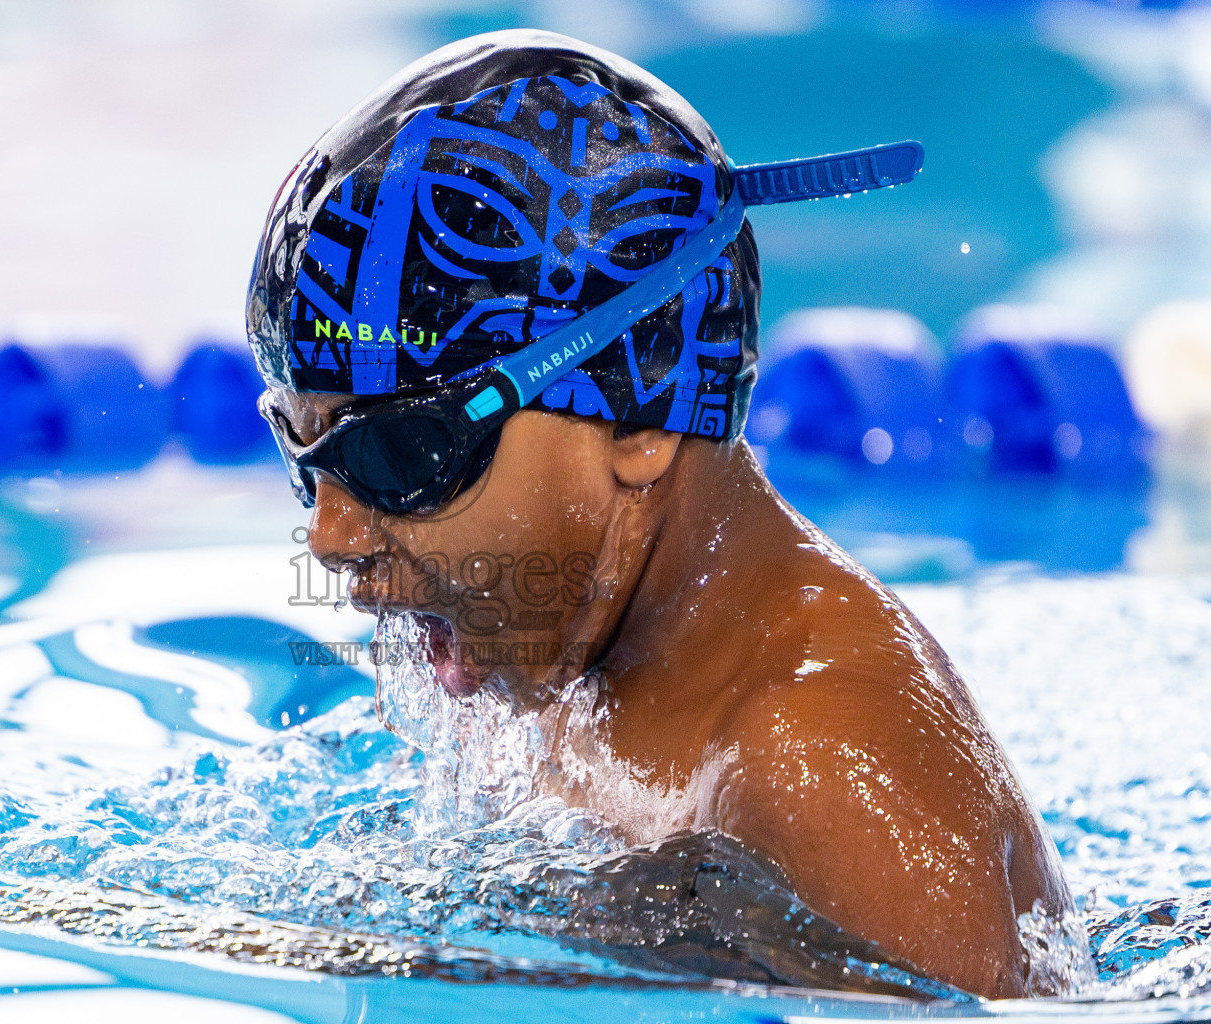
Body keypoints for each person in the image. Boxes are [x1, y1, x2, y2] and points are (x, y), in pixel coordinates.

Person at [245, 29, 1072, 999]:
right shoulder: (576, 650)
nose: (329, 535)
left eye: (398, 454)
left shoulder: (826, 765)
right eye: (301, 456)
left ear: (635, 419)